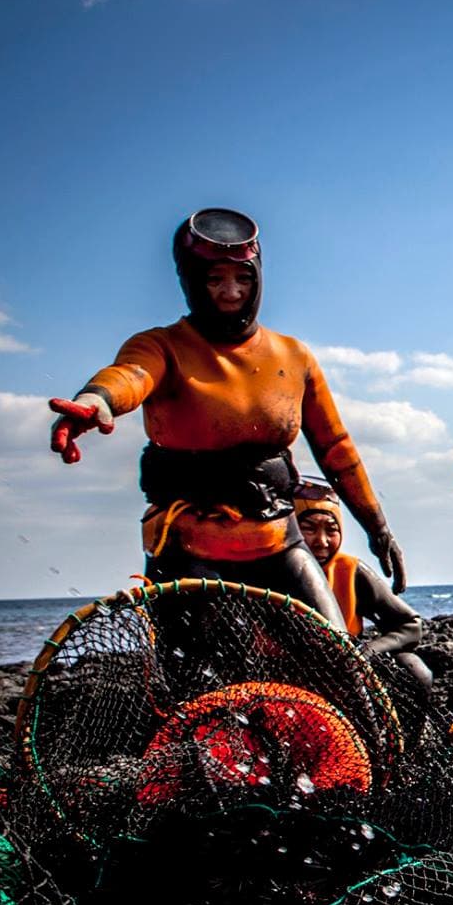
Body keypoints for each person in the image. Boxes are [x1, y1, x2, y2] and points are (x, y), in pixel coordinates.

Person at [48, 208, 403, 626]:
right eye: (214, 280)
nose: (231, 292)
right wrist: (97, 402)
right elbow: (131, 376)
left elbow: (335, 449)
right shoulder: (162, 346)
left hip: (277, 540)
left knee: (335, 651)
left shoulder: (294, 356)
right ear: (190, 282)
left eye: (243, 278)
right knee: (214, 674)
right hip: (188, 549)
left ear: (259, 277)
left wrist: (378, 528)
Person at [295, 479, 432, 691]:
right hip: (287, 675)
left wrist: (367, 652)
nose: (322, 541)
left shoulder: (349, 570)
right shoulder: (267, 568)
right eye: (309, 529)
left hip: (346, 671)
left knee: (414, 669)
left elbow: (410, 625)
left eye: (331, 530)